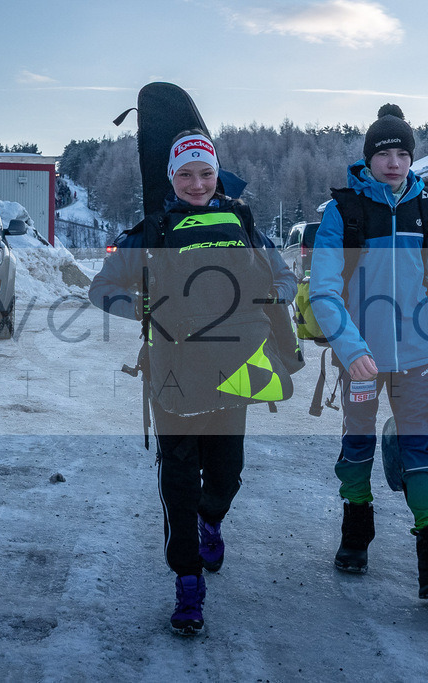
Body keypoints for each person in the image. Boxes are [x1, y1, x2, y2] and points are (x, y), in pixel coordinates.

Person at [89, 129, 298, 635]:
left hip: (237, 368)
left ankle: (213, 519)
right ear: (172, 178)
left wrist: (266, 299)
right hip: (173, 374)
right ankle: (187, 584)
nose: (197, 183)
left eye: (205, 173)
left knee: (225, 475)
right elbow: (101, 289)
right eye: (185, 174)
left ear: (217, 175)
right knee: (179, 482)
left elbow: (286, 278)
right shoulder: (151, 230)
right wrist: (141, 304)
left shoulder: (243, 222)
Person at [308, 104, 428, 600]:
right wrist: (350, 347)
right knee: (358, 443)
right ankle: (355, 538)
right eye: (385, 153)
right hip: (360, 357)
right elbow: (324, 290)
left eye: (404, 153)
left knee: (421, 449)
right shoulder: (345, 210)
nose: (395, 162)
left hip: (419, 358)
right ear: (369, 158)